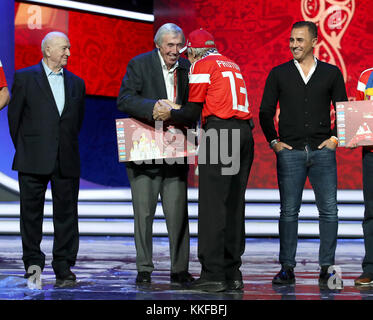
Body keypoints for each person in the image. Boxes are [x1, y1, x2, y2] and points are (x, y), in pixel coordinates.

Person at [153, 28, 255, 292]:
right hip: (244, 134)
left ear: (195, 50)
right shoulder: (230, 63)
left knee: (212, 206)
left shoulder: (202, 64)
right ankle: (233, 273)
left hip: (221, 135)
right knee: (234, 205)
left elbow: (191, 113)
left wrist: (169, 112)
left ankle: (213, 274)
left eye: (189, 52)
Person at [259, 21, 347, 286]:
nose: (293, 45)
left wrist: (334, 138)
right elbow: (265, 111)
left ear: (314, 42)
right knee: (288, 212)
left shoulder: (331, 73)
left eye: (299, 40)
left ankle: (327, 267)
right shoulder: (279, 73)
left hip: (323, 152)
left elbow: (342, 108)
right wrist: (274, 142)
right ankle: (287, 267)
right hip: (290, 152)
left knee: (329, 211)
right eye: (291, 40)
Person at [117, 23, 194, 286]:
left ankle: (180, 269)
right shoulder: (139, 64)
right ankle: (144, 268)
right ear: (158, 44)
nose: (175, 51)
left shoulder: (188, 67)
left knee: (178, 214)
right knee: (144, 213)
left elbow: (196, 103)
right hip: (144, 149)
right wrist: (155, 107)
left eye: (178, 45)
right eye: (170, 45)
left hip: (177, 148)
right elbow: (124, 99)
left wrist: (178, 111)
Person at [8, 31, 85, 288]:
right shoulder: (25, 78)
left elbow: (77, 121)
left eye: (69, 48)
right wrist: (27, 147)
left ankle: (63, 267)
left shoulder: (77, 83)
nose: (68, 53)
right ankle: (33, 266)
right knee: (31, 216)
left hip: (66, 158)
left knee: (66, 215)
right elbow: (14, 119)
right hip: (32, 158)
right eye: (64, 48)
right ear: (48, 50)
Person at [354, 67, 373, 285]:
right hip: (371, 154)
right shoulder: (366, 77)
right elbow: (359, 114)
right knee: (371, 213)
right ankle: (370, 268)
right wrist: (354, 133)